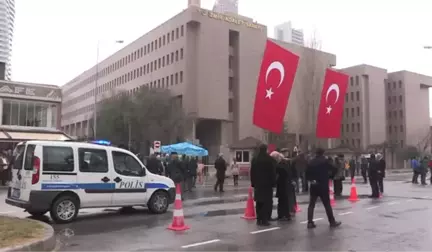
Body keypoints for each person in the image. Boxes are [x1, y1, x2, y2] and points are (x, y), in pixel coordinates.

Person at [305, 148, 341, 229]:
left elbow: (306, 173)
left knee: (311, 204)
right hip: (323, 185)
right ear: (323, 153)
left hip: (314, 185)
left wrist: (311, 180)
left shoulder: (311, 161)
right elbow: (335, 169)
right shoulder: (325, 161)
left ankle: (310, 222)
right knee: (327, 204)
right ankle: (332, 222)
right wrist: (330, 176)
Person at [251, 144, 276, 226]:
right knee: (266, 202)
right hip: (267, 184)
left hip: (258, 184)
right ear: (266, 150)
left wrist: (253, 183)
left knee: (259, 202)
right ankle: (265, 219)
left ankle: (259, 219)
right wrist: (273, 183)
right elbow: (272, 172)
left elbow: (252, 172)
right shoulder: (269, 159)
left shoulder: (255, 159)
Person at [271, 151, 291, 221]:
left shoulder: (280, 165)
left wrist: (275, 181)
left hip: (282, 185)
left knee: (283, 200)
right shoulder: (285, 163)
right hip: (284, 184)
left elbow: (279, 175)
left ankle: (283, 215)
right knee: (283, 200)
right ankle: (284, 215)